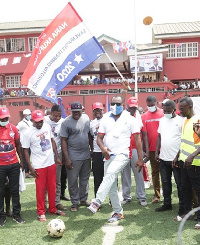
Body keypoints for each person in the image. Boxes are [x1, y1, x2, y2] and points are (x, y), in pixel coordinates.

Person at [88, 95, 143, 223]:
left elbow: (137, 139)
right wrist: (103, 148)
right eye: (113, 104)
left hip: (123, 154)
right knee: (111, 185)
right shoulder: (106, 118)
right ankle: (118, 212)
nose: (115, 106)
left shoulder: (130, 119)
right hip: (108, 155)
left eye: (118, 104)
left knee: (111, 173)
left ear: (123, 106)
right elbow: (99, 138)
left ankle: (97, 201)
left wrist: (140, 158)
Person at [22, 110, 65, 222]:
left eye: (41, 121)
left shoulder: (46, 126)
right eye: (37, 122)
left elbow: (52, 141)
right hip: (38, 165)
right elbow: (25, 151)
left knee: (52, 187)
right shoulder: (28, 133)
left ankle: (52, 209)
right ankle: (41, 212)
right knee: (40, 190)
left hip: (50, 162)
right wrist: (30, 167)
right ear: (32, 120)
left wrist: (57, 157)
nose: (40, 123)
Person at [61, 101, 92, 212]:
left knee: (85, 179)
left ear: (82, 110)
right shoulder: (66, 123)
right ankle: (75, 202)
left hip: (86, 155)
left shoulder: (86, 118)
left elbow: (89, 134)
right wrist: (67, 159)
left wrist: (92, 149)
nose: (76, 114)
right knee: (73, 180)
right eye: (74, 111)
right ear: (70, 111)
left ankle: (83, 199)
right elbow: (63, 141)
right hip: (73, 156)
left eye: (78, 111)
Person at [155, 100, 184, 217]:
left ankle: (182, 206)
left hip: (176, 159)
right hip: (163, 157)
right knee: (165, 182)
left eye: (167, 111)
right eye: (164, 111)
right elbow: (159, 136)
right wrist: (157, 152)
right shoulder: (162, 120)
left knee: (179, 183)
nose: (165, 113)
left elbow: (183, 140)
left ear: (174, 109)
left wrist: (178, 156)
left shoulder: (181, 121)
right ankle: (167, 203)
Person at [174, 97, 200, 229]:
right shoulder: (186, 120)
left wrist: (192, 156)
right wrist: (177, 156)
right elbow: (184, 141)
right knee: (185, 189)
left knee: (198, 191)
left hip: (195, 164)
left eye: (182, 109)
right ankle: (186, 213)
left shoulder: (197, 121)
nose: (180, 111)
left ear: (190, 107)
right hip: (184, 162)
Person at [121, 96, 148, 206]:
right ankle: (126, 196)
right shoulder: (123, 116)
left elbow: (143, 133)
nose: (133, 109)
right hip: (125, 148)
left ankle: (141, 196)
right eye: (131, 107)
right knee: (125, 174)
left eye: (135, 107)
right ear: (127, 106)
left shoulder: (139, 117)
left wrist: (144, 150)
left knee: (138, 172)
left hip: (136, 148)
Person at [0, 107, 24, 227]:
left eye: (6, 118)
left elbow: (18, 145)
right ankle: (1, 216)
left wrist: (22, 160)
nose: (4, 120)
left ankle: (16, 214)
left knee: (15, 191)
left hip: (13, 164)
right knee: (0, 191)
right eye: (2, 118)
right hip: (1, 166)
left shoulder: (13, 128)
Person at [44, 104, 67, 211]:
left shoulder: (63, 122)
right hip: (45, 155)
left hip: (58, 153)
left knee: (57, 180)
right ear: (51, 113)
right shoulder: (43, 120)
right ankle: (44, 202)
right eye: (55, 116)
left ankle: (56, 202)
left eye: (59, 116)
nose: (57, 118)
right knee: (44, 180)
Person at [142, 95, 164, 203]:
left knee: (165, 172)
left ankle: (167, 194)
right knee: (155, 172)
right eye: (148, 105)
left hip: (164, 148)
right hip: (151, 148)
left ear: (157, 103)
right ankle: (157, 195)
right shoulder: (144, 116)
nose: (150, 106)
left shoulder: (163, 113)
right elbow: (144, 134)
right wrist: (146, 150)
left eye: (152, 105)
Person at [90, 102, 104, 196]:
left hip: (107, 151)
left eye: (99, 110)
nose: (97, 112)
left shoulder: (108, 120)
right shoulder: (91, 123)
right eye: (95, 110)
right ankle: (97, 199)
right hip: (97, 153)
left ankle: (112, 200)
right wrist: (92, 149)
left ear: (103, 110)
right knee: (97, 178)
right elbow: (90, 137)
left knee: (111, 176)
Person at [17, 109, 32, 178]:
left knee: (28, 157)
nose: (29, 116)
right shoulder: (21, 124)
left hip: (30, 143)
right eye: (28, 115)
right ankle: (26, 172)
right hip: (23, 143)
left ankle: (29, 171)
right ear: (25, 115)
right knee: (25, 158)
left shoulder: (30, 122)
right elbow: (16, 130)